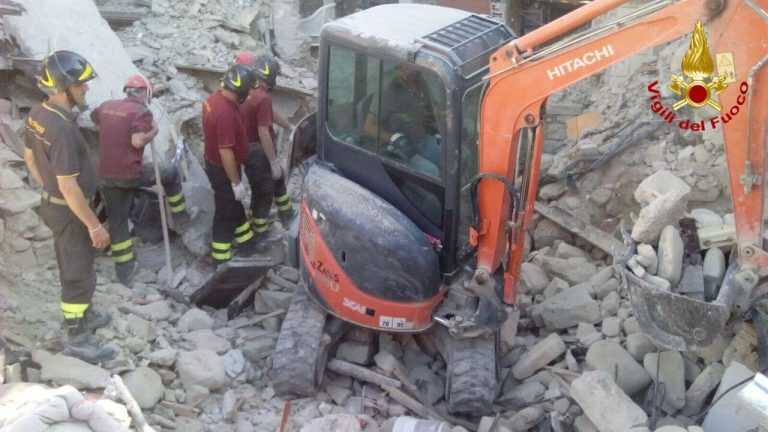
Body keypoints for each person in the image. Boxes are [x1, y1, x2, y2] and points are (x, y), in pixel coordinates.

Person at [23, 50, 116, 363]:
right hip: (68, 209)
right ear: (63, 88)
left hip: (59, 205)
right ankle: (77, 335)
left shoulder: (39, 114)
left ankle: (86, 315)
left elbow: (30, 157)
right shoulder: (61, 129)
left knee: (81, 262)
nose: (86, 88)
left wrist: (46, 186)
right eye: (80, 85)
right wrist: (93, 224)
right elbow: (68, 184)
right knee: (76, 270)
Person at [91, 74, 188, 286]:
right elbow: (137, 141)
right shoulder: (141, 111)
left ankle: (124, 272)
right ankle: (180, 216)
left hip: (105, 175)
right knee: (170, 173)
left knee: (118, 222)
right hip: (128, 174)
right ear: (145, 93)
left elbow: (95, 120)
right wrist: (153, 131)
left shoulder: (106, 105)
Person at [203, 64, 260, 265]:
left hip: (214, 163)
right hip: (224, 169)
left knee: (234, 205)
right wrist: (236, 182)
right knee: (225, 211)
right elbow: (225, 151)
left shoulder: (213, 100)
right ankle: (220, 256)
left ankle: (246, 243)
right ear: (241, 92)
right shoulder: (225, 113)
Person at [238, 53, 295, 240]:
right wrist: (273, 161)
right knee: (263, 191)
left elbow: (269, 114)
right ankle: (260, 232)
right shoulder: (262, 98)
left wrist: (288, 126)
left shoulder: (247, 90)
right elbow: (263, 131)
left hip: (247, 147)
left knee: (277, 180)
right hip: (257, 150)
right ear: (269, 76)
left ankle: (286, 213)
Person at [364, 63, 441, 177]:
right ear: (397, 68)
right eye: (405, 67)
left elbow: (431, 108)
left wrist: (442, 117)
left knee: (454, 157)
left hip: (422, 139)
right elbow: (368, 127)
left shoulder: (420, 81)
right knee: (431, 172)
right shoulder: (388, 92)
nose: (412, 71)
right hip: (402, 149)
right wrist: (394, 138)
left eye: (414, 67)